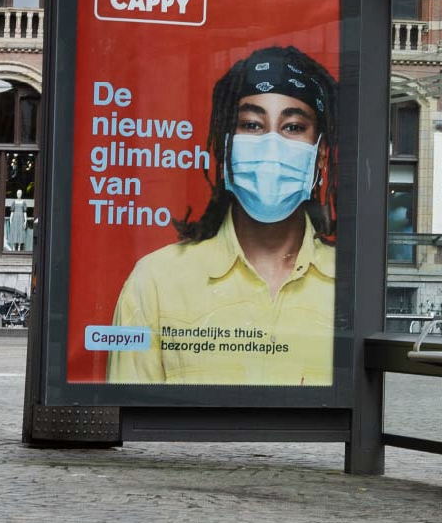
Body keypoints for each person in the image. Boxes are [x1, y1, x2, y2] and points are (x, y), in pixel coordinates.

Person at [106, 45, 337, 386]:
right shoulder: (155, 282)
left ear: (320, 155)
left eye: (292, 127)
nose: (271, 146)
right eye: (252, 124)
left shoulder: (347, 285)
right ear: (225, 144)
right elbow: (129, 421)